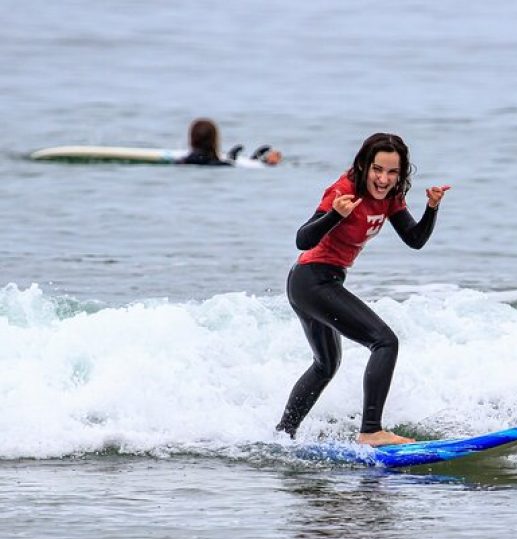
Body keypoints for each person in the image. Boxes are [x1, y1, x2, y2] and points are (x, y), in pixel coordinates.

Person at [276, 132, 451, 447]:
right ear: (364, 165)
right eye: (377, 169)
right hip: (312, 280)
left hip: (316, 282)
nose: (383, 179)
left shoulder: (391, 197)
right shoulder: (343, 191)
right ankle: (371, 430)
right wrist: (335, 215)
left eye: (392, 172)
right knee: (385, 342)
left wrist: (432, 208)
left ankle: (281, 436)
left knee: (325, 365)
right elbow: (303, 239)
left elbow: (414, 239)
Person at [178, 118, 283, 166]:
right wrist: (267, 163)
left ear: (191, 140)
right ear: (215, 140)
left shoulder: (180, 163)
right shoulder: (222, 166)